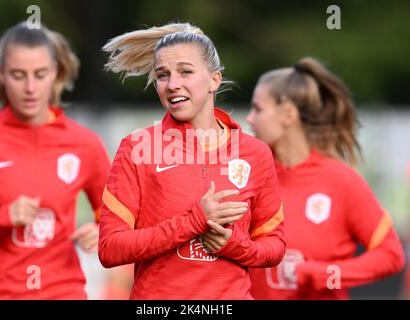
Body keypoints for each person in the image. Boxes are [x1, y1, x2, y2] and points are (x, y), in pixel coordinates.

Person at [98, 22, 286, 299]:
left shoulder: (254, 153)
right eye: (163, 75)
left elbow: (274, 246)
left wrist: (234, 246)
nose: (173, 85)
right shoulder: (137, 148)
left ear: (214, 80)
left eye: (186, 72)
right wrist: (194, 221)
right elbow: (110, 248)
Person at [0, 22, 111, 299]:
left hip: (62, 292)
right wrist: (1, 218)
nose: (30, 87)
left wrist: (101, 234)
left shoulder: (85, 144)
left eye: (40, 74)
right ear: (1, 74)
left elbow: (119, 222)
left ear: (55, 73)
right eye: (19, 75)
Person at [246, 57, 405, 299]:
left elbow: (391, 255)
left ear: (288, 114)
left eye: (258, 109)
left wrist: (321, 273)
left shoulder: (342, 181)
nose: (249, 118)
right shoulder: (249, 178)